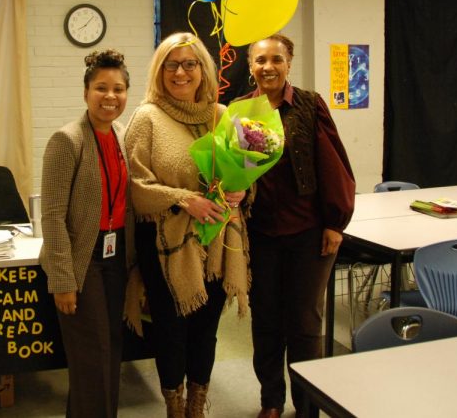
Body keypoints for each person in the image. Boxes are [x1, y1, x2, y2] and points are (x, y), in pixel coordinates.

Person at [124, 32, 249, 418]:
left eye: (189, 64)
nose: (181, 72)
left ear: (203, 70)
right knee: (171, 330)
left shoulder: (222, 115)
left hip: (215, 242)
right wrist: (184, 200)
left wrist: (240, 193)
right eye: (171, 65)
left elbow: (244, 173)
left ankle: (197, 403)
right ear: (160, 72)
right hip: (166, 243)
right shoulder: (146, 118)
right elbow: (136, 187)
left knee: (205, 328)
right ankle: (174, 407)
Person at [238, 34, 355, 418]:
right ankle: (270, 401)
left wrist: (335, 223)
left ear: (289, 62)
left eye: (276, 59)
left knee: (305, 323)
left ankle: (307, 406)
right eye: (259, 60)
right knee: (266, 320)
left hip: (307, 232)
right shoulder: (239, 110)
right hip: (259, 236)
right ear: (250, 65)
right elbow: (228, 171)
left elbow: (332, 165)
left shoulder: (309, 105)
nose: (267, 67)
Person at [39, 49, 135, 418]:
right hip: (82, 262)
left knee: (109, 351)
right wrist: (63, 280)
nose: (110, 97)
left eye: (118, 88)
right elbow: (52, 215)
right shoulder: (67, 140)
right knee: (91, 359)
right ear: (85, 93)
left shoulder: (123, 137)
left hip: (115, 259)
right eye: (101, 88)